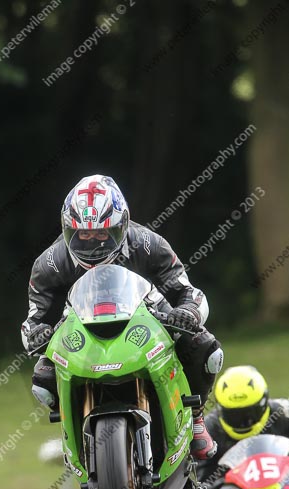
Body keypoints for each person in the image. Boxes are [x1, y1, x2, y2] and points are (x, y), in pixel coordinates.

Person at [21, 174, 224, 459]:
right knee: (43, 380)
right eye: (83, 235)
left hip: (146, 318)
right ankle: (73, 433)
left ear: (121, 225)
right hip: (80, 330)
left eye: (102, 234)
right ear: (68, 230)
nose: (92, 243)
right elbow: (34, 317)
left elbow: (187, 291)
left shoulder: (148, 244)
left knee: (206, 348)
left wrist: (187, 312)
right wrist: (37, 334)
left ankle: (196, 416)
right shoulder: (50, 264)